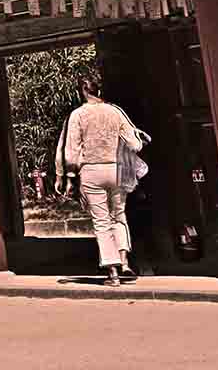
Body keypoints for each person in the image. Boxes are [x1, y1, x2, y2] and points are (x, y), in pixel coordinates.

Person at [55, 71, 148, 285]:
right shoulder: (115, 111)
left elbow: (71, 150)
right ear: (99, 90)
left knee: (101, 221)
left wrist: (67, 177)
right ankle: (125, 262)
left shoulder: (78, 115)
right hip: (116, 170)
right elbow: (135, 144)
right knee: (119, 216)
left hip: (91, 171)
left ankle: (112, 272)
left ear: (82, 91)